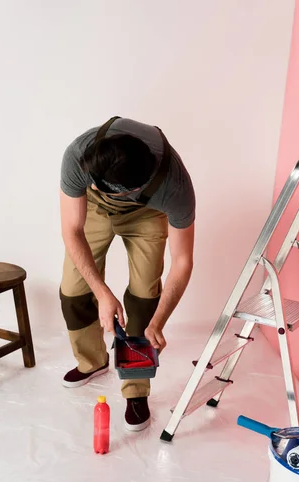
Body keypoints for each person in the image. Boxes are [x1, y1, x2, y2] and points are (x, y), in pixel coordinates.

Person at [59, 117, 195, 432]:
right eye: (92, 181)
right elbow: (71, 229)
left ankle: (136, 389)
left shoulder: (173, 188)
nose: (91, 186)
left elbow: (183, 260)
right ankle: (92, 362)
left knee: (145, 299)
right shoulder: (79, 157)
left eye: (102, 188)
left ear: (136, 187)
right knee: (74, 290)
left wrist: (158, 321)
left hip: (146, 214)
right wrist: (103, 293)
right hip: (91, 210)